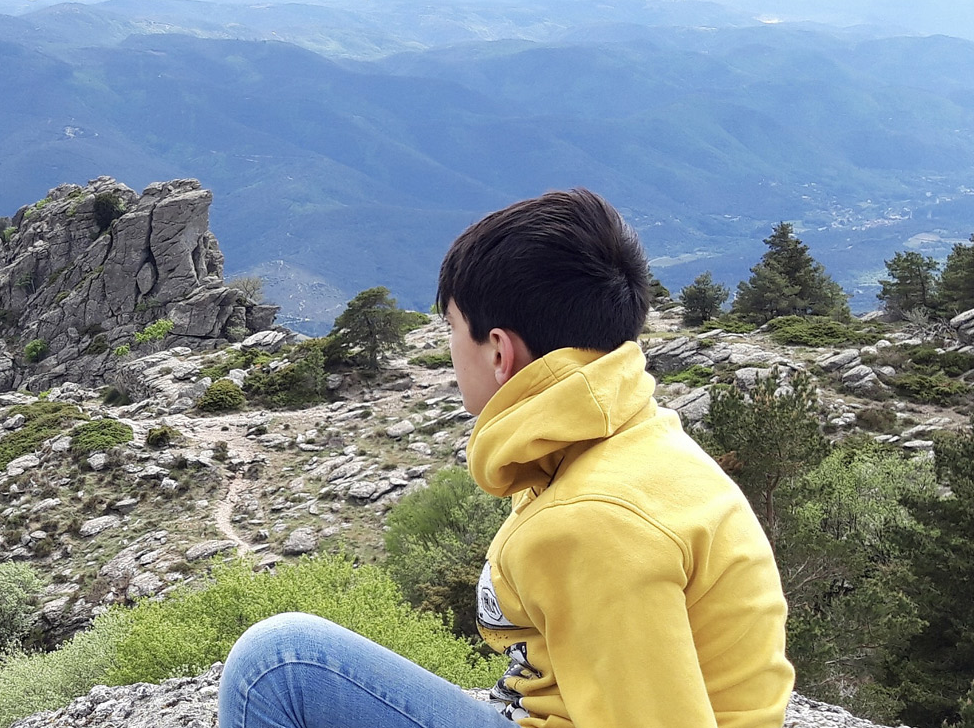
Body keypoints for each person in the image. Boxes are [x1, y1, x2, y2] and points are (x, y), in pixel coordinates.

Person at [218, 189, 794, 728]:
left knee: (280, 667)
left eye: (451, 327)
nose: (447, 348)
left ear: (499, 350)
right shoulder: (623, 433)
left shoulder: (595, 523)